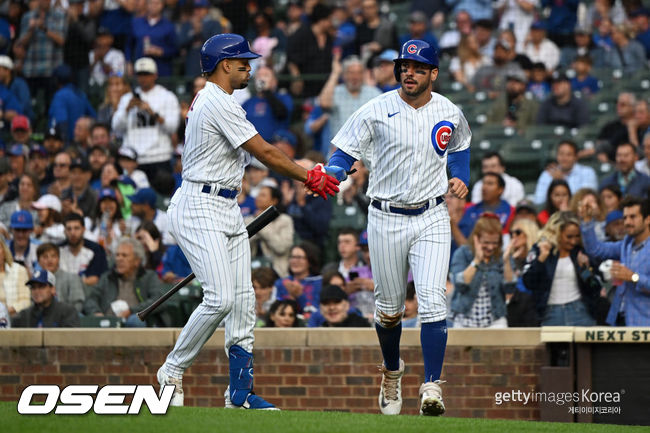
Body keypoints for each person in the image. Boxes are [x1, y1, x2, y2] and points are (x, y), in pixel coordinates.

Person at [157, 34, 339, 411]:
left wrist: (307, 172)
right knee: (221, 297)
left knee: (243, 301)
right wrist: (308, 176)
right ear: (224, 64)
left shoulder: (224, 100)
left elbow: (260, 154)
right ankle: (171, 371)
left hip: (225, 205)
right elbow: (265, 151)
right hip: (199, 203)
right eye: (242, 61)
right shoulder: (214, 99)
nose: (249, 67)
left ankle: (239, 393)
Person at [323, 39, 471, 416]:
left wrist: (460, 176)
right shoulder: (376, 108)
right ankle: (392, 371)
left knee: (433, 301)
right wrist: (337, 170)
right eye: (405, 65)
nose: (409, 72)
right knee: (388, 310)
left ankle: (432, 385)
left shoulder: (449, 110)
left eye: (419, 68)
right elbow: (343, 151)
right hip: (385, 216)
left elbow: (460, 147)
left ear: (433, 74)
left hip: (432, 215)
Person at [522, 211, 601, 326]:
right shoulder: (540, 249)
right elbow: (528, 283)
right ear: (556, 233)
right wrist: (541, 259)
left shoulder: (582, 252)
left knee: (583, 344)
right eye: (569, 236)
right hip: (550, 312)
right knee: (555, 344)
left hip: (580, 310)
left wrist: (585, 269)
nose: (573, 241)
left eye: (577, 236)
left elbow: (595, 288)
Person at [580, 197, 650, 326]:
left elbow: (634, 278)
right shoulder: (626, 245)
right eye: (625, 217)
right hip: (620, 319)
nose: (627, 222)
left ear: (647, 219)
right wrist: (587, 220)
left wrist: (634, 277)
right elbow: (595, 249)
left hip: (644, 322)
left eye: (633, 217)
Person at [111, 57, 180, 181]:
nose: (143, 78)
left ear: (155, 75)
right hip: (133, 160)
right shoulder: (127, 99)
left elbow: (172, 127)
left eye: (147, 74)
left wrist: (152, 113)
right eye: (140, 74)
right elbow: (116, 127)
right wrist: (127, 110)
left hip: (159, 156)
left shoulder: (167, 96)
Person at [450, 214, 514, 328]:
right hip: (464, 318)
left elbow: (510, 288)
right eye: (486, 242)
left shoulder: (501, 257)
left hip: (495, 319)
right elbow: (460, 284)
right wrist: (476, 261)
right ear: (476, 238)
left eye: (494, 243)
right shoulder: (462, 254)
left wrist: (506, 261)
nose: (490, 247)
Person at [83, 237, 163, 327]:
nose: (119, 259)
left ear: (137, 261)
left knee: (136, 320)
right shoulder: (107, 277)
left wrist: (131, 311)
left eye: (124, 255)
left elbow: (158, 299)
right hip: (108, 322)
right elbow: (91, 299)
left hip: (133, 320)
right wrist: (96, 313)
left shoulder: (148, 277)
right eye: (117, 255)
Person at [319, 54, 382, 147]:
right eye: (351, 73)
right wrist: (335, 74)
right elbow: (323, 103)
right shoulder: (335, 91)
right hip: (340, 149)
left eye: (359, 73)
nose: (355, 77)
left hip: (368, 149)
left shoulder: (374, 93)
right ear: (344, 75)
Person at [245, 185, 294, 277]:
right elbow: (242, 245)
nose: (258, 198)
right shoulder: (247, 220)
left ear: (274, 201)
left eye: (263, 195)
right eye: (258, 195)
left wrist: (260, 223)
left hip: (277, 272)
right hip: (251, 272)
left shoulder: (284, 220)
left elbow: (281, 247)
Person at [533, 140, 598, 205]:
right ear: (556, 156)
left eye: (568, 155)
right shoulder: (547, 174)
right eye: (561, 154)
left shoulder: (587, 172)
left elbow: (586, 199)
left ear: (576, 157)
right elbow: (539, 201)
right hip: (553, 212)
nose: (564, 158)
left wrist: (562, 180)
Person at [11, 269, 80, 328]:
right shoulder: (23, 315)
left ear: (52, 289)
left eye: (41, 287)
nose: (36, 291)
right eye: (33, 288)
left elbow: (71, 340)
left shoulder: (67, 312)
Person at [458, 172, 514, 242]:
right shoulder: (468, 209)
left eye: (490, 184)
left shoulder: (511, 211)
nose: (484, 187)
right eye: (483, 183)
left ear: (501, 189)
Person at [242, 66, 293, 142]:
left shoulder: (283, 98)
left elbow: (282, 114)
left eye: (266, 75)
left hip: (275, 145)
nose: (261, 79)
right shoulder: (248, 103)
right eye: (259, 76)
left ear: (275, 81)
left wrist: (267, 92)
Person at [58, 213, 108, 287]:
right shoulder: (57, 250)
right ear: (64, 231)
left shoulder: (96, 250)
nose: (72, 233)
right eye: (69, 229)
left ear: (83, 229)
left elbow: (95, 279)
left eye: (76, 228)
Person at [36, 243, 85, 313]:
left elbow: (78, 304)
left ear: (58, 259)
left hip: (68, 319)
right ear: (38, 261)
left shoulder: (72, 278)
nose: (50, 260)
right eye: (45, 257)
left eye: (53, 256)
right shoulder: (34, 283)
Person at [0, 238, 30, 316]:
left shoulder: (20, 270)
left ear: (4, 251)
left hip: (15, 320)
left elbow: (26, 302)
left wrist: (4, 313)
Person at [8, 210, 39, 275]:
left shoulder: (39, 248)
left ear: (31, 230)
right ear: (11, 229)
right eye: (17, 230)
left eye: (24, 230)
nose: (20, 235)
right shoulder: (3, 248)